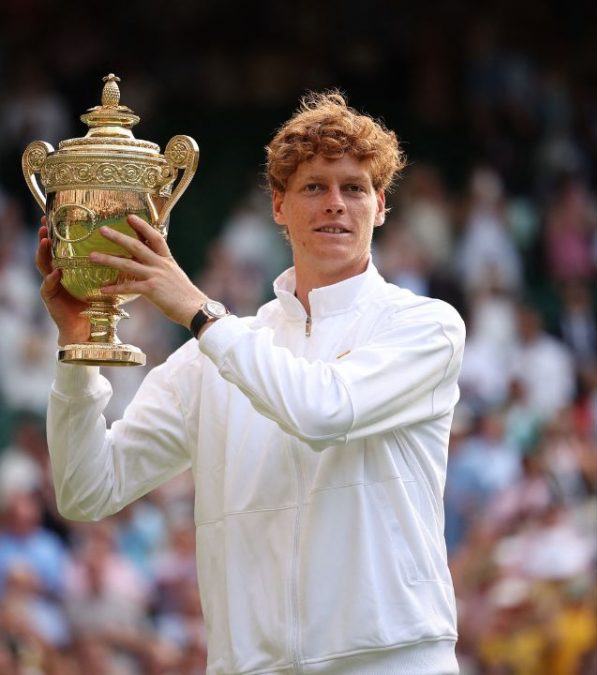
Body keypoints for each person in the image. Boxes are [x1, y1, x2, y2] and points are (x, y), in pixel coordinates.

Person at [38, 91, 465, 674]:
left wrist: (197, 310)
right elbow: (87, 490)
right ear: (278, 207)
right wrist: (79, 348)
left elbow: (323, 411)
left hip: (392, 660)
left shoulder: (427, 326)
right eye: (313, 187)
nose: (335, 204)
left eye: (354, 187)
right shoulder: (216, 352)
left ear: (381, 206)